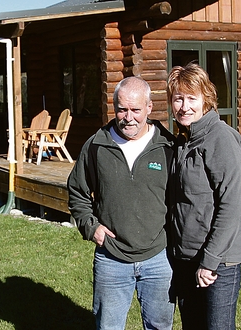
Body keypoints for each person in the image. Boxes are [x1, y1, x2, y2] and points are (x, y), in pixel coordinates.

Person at [67, 76, 175, 330]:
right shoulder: (96, 146)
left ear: (149, 108)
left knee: (160, 326)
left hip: (159, 257)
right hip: (111, 258)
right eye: (122, 109)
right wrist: (91, 228)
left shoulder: (168, 147)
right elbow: (77, 191)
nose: (129, 117)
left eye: (136, 110)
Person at [166, 62, 241, 330]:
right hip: (186, 258)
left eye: (192, 98)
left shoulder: (221, 139)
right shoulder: (183, 141)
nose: (184, 106)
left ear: (207, 100)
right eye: (178, 98)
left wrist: (209, 262)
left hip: (218, 263)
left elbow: (231, 207)